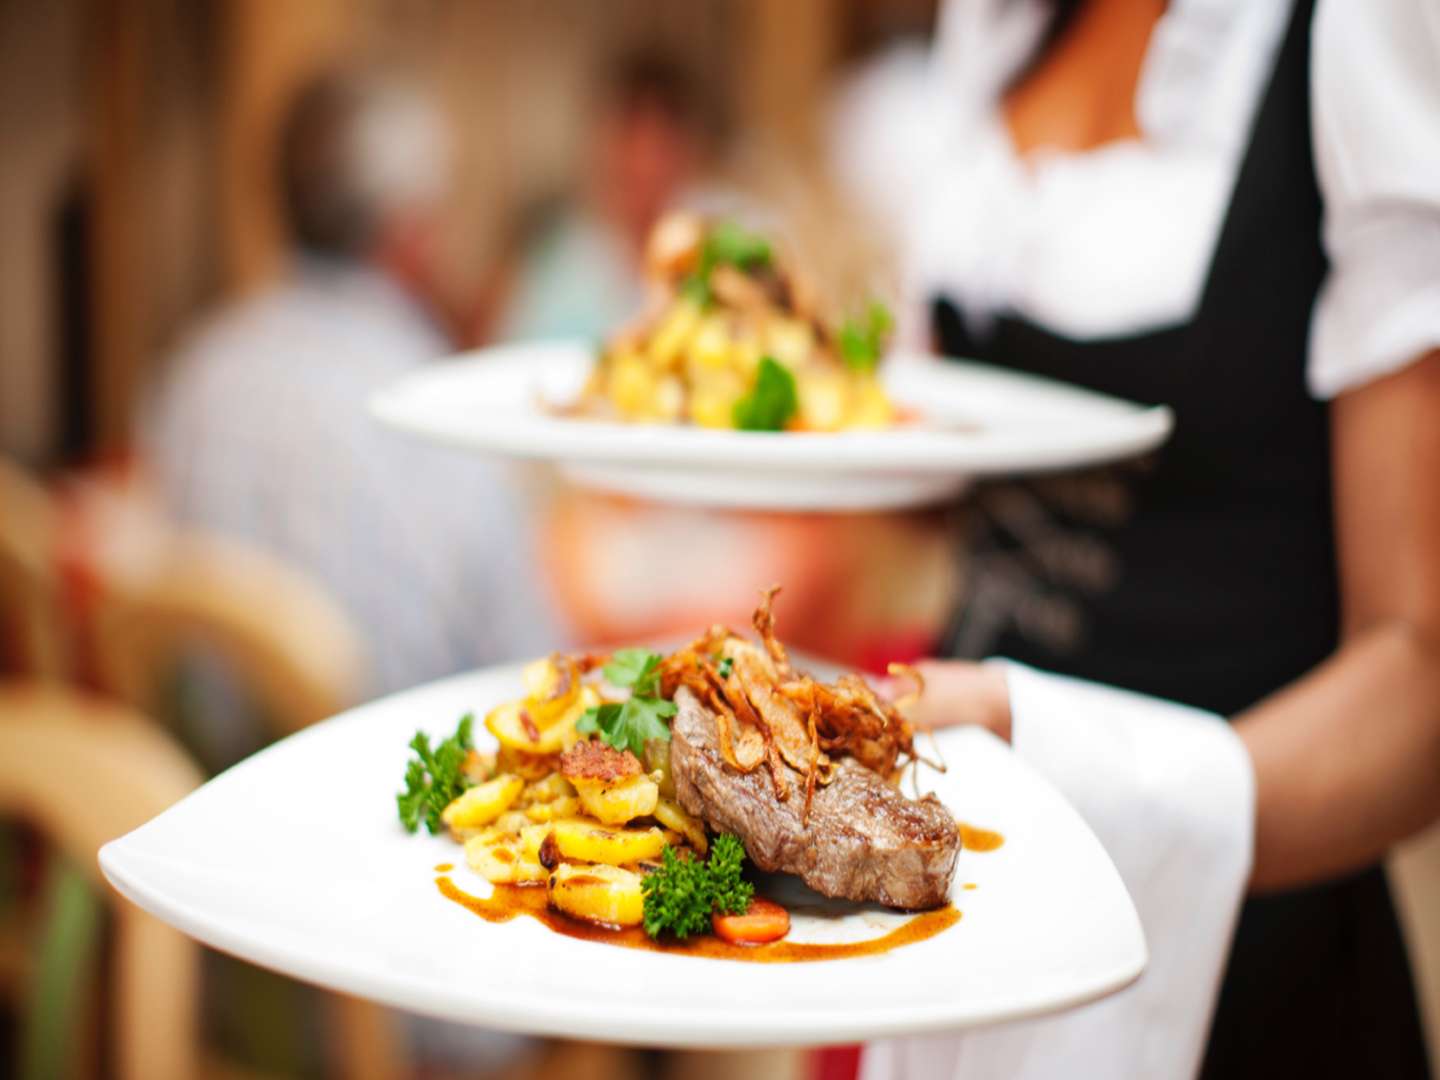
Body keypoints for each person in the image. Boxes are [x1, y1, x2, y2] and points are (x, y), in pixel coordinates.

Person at [836, 1, 1440, 1076]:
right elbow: (952, 484)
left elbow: (1423, 678)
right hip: (959, 918)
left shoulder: (1354, 28)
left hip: (1242, 969)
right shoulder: (1002, 26)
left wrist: (1097, 782)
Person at [147, 69, 566, 701]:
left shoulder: (196, 370)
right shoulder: (438, 414)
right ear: (410, 231)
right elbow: (540, 674)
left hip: (208, 769)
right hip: (383, 780)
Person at [494, 50, 706, 343]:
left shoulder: (714, 247)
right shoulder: (559, 264)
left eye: (660, 149)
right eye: (630, 147)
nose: (645, 164)